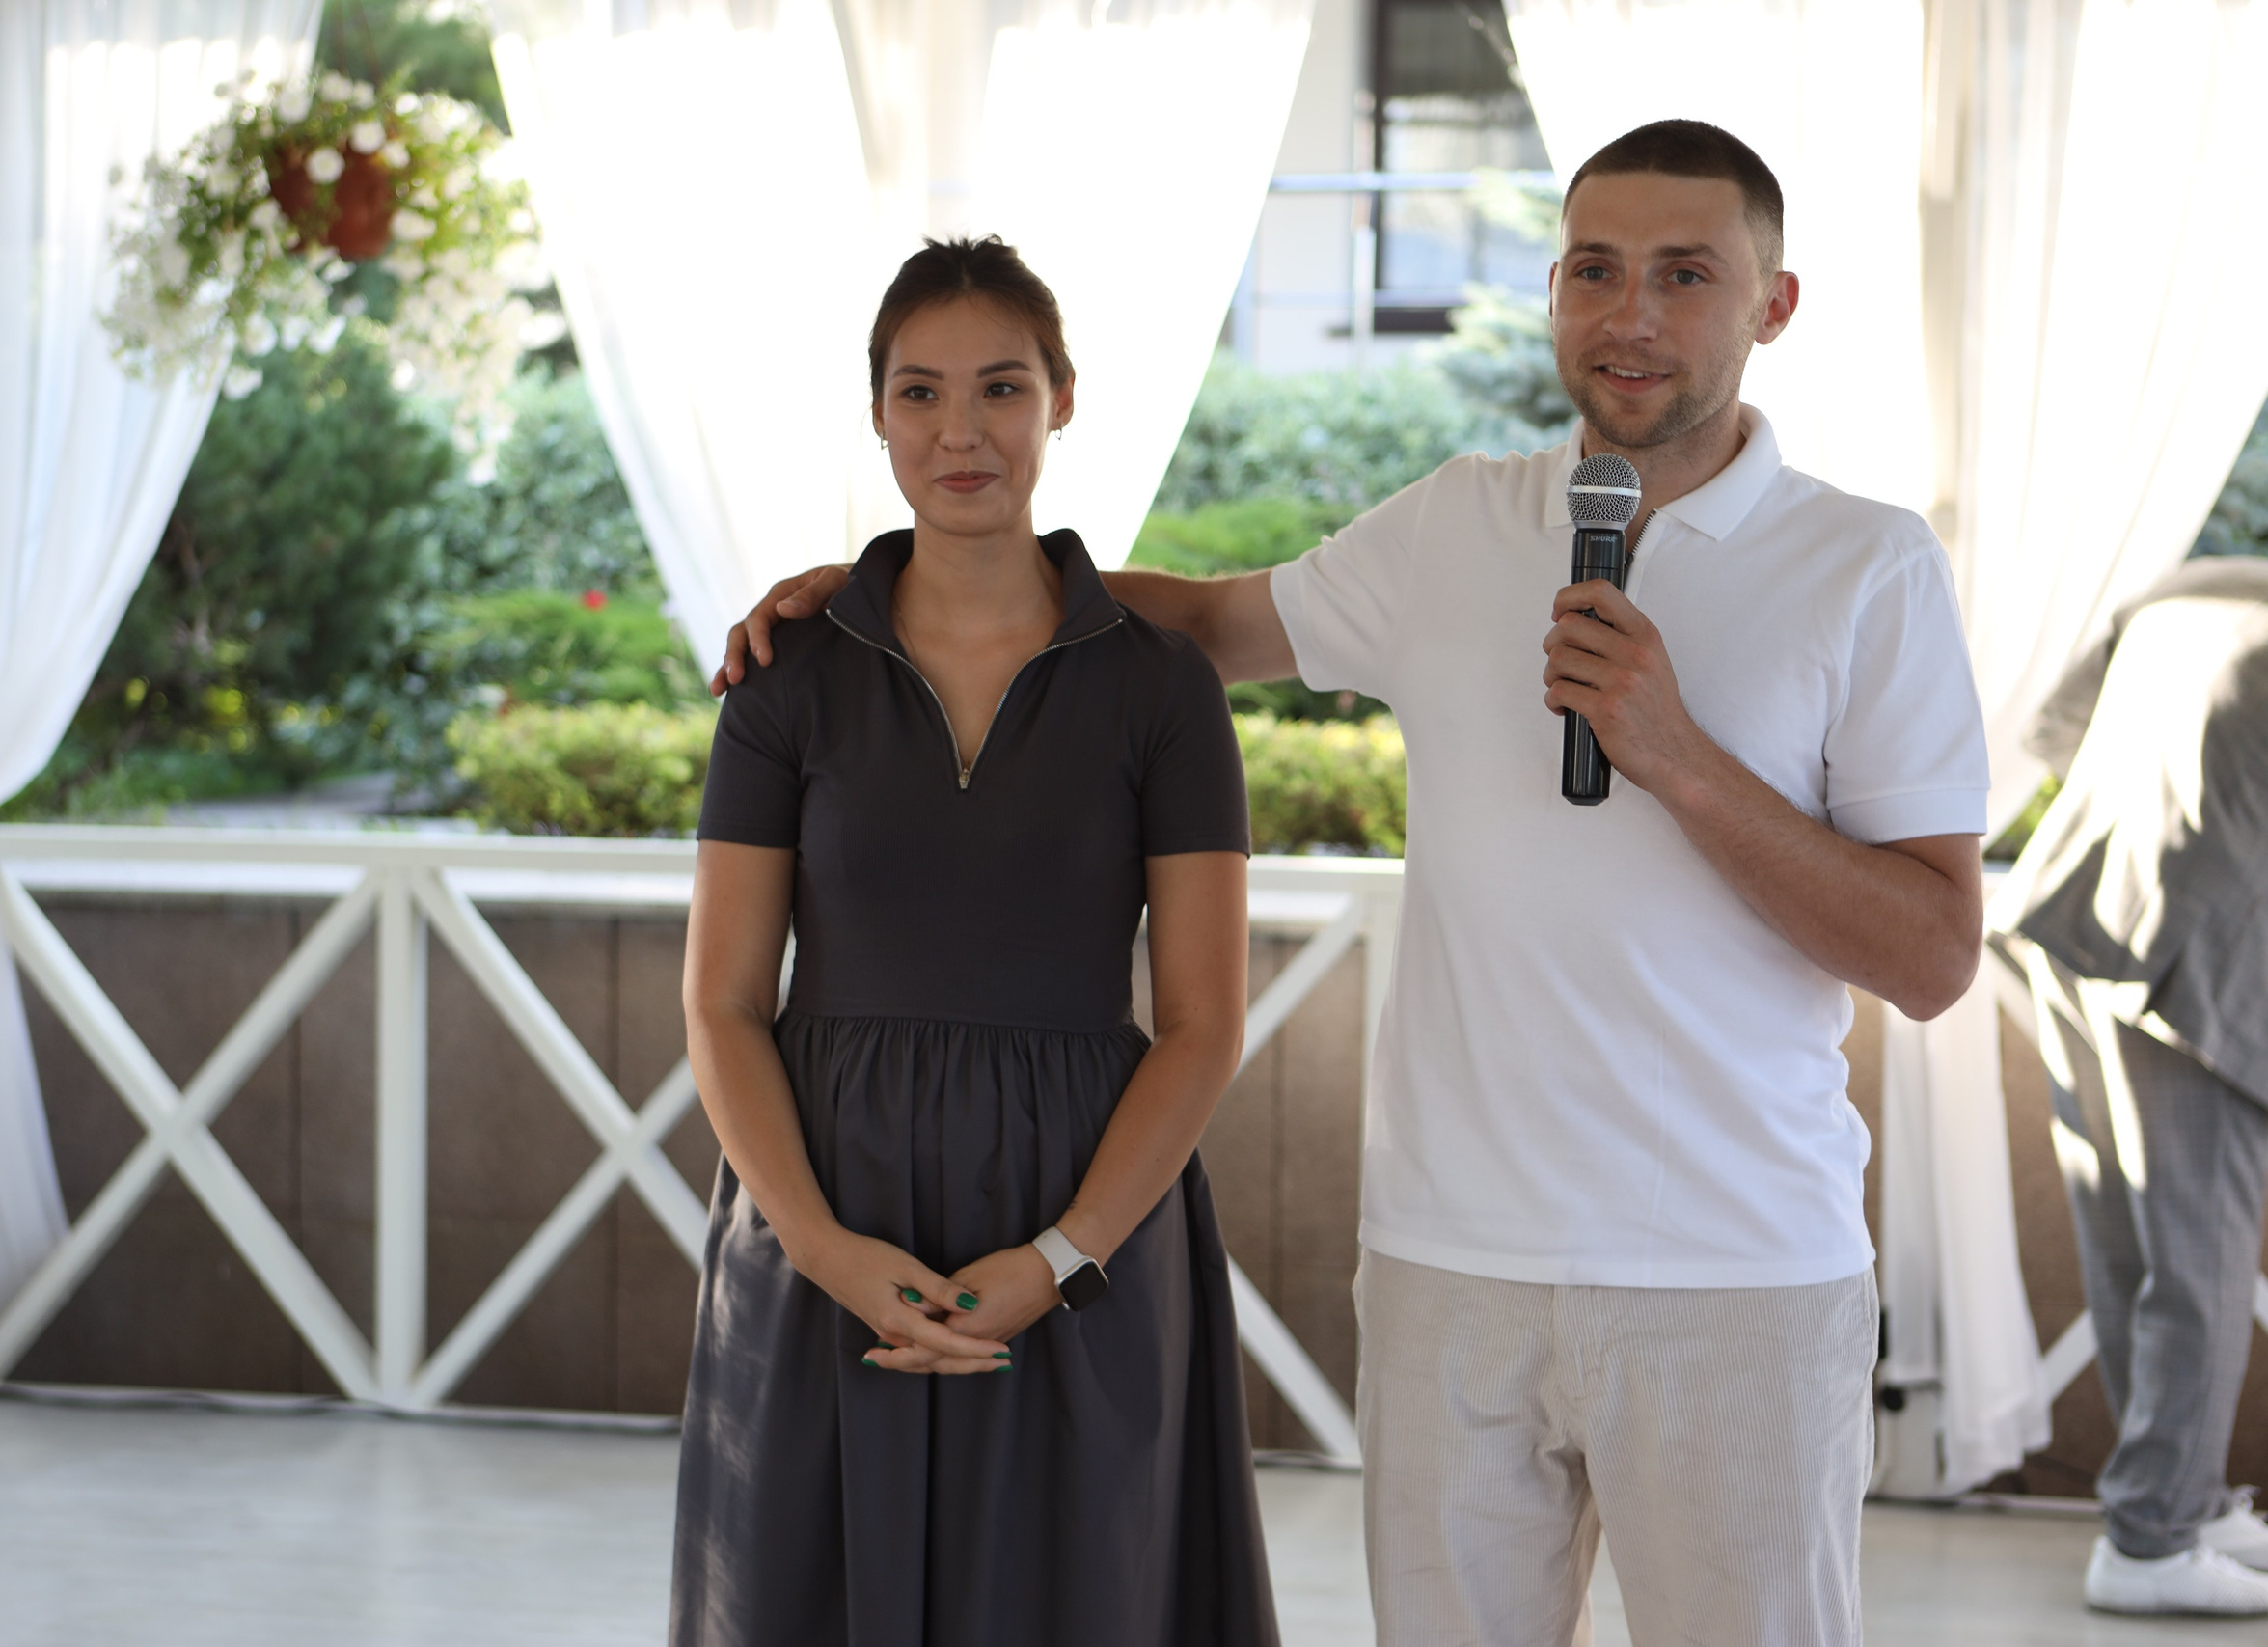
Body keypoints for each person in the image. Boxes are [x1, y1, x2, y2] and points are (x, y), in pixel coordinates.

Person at [719, 121, 1991, 1646]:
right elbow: (1200, 622)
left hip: (1736, 1272)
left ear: (1772, 304)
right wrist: (886, 593)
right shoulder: (1457, 521)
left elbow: (1932, 954)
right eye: (1595, 269)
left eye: (1685, 274)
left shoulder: (1867, 565)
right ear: (1554, 293)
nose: (1632, 314)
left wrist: (1680, 756)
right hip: (1451, 1265)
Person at [672, 235, 1279, 1647]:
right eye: (920, 392)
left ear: (1062, 398)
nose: (960, 431)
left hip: (1085, 1220)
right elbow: (722, 1005)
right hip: (823, 1210)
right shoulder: (784, 679)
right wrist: (824, 1249)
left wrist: (1059, 1256)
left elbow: (1203, 1022)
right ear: (876, 412)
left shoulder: (1162, 689)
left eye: (1000, 387)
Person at [1990, 557, 2268, 1616]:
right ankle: (2152, 1540)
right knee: (2199, 1261)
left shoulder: (2197, 585)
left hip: (2078, 905)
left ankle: (2175, 1499)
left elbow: (2056, 733)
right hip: (2191, 958)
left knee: (2130, 1243)